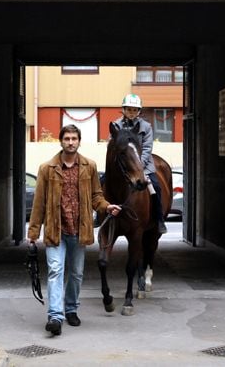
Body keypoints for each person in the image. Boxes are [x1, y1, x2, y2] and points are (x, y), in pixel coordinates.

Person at [27, 124, 121, 336]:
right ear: (61, 141)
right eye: (67, 138)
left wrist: (107, 206)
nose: (70, 142)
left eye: (74, 138)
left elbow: (96, 196)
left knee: (77, 274)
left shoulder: (89, 166)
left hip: (79, 230)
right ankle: (55, 316)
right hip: (55, 230)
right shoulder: (46, 168)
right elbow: (39, 203)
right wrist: (33, 233)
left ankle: (71, 309)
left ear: (79, 141)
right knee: (55, 271)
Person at [112, 93, 167, 234]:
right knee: (102, 182)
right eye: (129, 109)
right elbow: (111, 145)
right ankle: (99, 217)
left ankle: (159, 219)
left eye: (134, 110)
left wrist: (138, 166)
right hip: (122, 166)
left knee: (156, 188)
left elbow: (147, 148)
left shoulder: (146, 127)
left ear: (139, 111)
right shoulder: (115, 125)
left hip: (143, 166)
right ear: (123, 109)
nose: (131, 112)